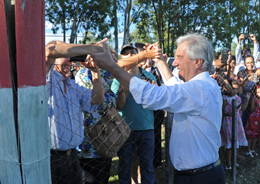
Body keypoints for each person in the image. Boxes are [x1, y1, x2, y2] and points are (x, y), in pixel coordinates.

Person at [91, 33, 226, 184]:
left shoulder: (199, 89)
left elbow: (152, 95)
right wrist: (160, 61)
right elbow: (175, 89)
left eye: (180, 58)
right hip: (200, 175)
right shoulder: (202, 86)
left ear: (198, 62)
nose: (175, 63)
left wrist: (110, 65)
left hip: (199, 179)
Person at [45, 39, 116, 183]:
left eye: (71, 59)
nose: (70, 61)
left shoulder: (72, 85)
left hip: (72, 156)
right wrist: (91, 49)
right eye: (67, 56)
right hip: (51, 158)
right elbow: (49, 50)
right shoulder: (46, 80)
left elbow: (97, 99)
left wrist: (95, 72)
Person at [75, 55, 126, 184]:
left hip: (106, 139)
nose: (113, 61)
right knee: (91, 179)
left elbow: (117, 105)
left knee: (103, 178)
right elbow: (98, 100)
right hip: (90, 141)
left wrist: (121, 94)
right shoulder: (84, 74)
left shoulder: (107, 75)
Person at [111, 43, 157, 184]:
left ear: (139, 57)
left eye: (133, 53)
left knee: (147, 167)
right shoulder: (116, 78)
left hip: (147, 128)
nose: (130, 56)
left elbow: (155, 104)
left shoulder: (149, 76)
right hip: (125, 129)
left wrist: (151, 91)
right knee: (125, 167)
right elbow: (119, 106)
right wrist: (131, 86)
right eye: (126, 53)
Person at [221, 80, 249, 170]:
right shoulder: (225, 99)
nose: (234, 91)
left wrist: (247, 99)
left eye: (236, 89)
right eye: (232, 89)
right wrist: (226, 114)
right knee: (229, 145)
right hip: (228, 122)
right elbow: (221, 112)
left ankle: (234, 161)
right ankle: (228, 164)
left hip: (237, 122)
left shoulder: (237, 98)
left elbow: (242, 109)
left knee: (236, 143)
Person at [237, 55, 260, 127]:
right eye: (248, 63)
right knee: (242, 120)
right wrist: (246, 80)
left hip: (253, 100)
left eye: (251, 62)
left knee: (252, 121)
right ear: (244, 64)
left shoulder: (255, 72)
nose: (250, 64)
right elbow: (241, 86)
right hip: (243, 100)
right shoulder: (241, 73)